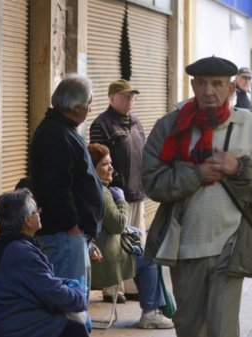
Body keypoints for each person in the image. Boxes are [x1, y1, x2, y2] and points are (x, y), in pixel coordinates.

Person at [142, 55, 252, 337]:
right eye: (202, 83)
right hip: (185, 246)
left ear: (231, 89)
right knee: (190, 327)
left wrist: (238, 167)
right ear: (193, 85)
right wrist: (196, 175)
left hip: (231, 245)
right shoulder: (169, 127)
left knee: (222, 328)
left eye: (217, 84)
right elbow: (151, 182)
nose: (209, 91)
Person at [28, 74, 105, 319]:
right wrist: (73, 227)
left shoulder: (63, 130)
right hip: (64, 236)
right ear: (75, 107)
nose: (90, 109)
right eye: (89, 103)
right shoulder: (56, 135)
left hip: (71, 236)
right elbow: (56, 189)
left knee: (76, 302)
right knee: (69, 307)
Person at [0, 189, 89, 337]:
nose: (39, 214)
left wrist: (68, 283)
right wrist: (79, 293)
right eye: (36, 211)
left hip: (4, 321)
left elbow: (42, 282)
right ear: (27, 221)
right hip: (11, 326)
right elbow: (54, 294)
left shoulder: (6, 243)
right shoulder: (22, 253)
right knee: (75, 330)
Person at [87, 143, 174, 329]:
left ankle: (154, 310)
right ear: (92, 168)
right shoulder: (101, 192)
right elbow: (118, 224)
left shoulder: (86, 188)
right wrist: (121, 201)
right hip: (105, 261)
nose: (111, 168)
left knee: (142, 255)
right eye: (104, 164)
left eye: (110, 163)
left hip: (93, 258)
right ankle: (150, 313)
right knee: (148, 259)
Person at [90, 79, 146, 303]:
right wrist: (111, 187)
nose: (130, 100)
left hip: (137, 191)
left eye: (132, 96)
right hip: (115, 194)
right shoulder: (101, 124)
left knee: (135, 242)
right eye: (124, 96)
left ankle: (132, 286)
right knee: (113, 244)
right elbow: (97, 159)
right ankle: (113, 290)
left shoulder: (136, 122)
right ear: (111, 98)